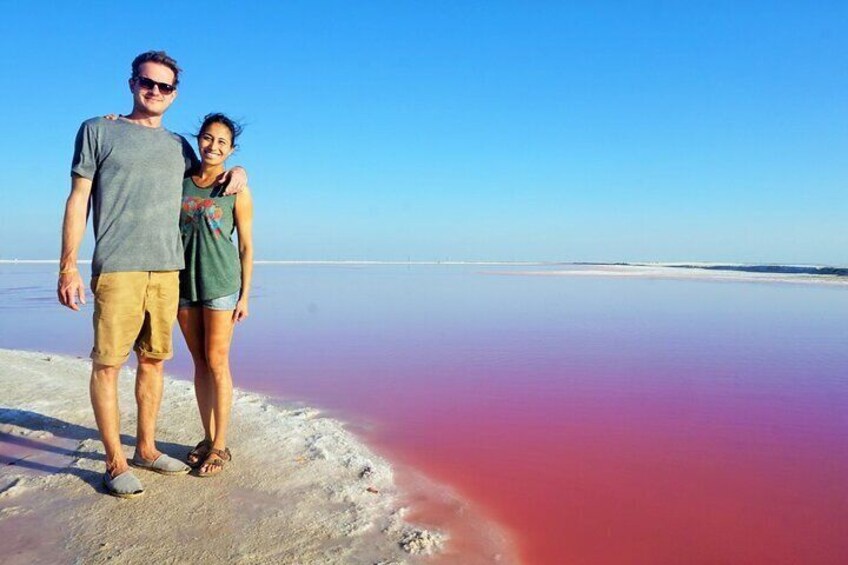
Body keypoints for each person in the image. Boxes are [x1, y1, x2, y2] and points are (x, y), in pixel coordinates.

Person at [57, 50, 247, 498]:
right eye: (148, 82)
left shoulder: (178, 146)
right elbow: (77, 199)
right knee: (107, 364)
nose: (155, 91)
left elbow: (208, 173)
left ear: (174, 94)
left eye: (165, 86)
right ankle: (114, 461)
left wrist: (240, 169)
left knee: (154, 361)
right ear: (132, 83)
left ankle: (145, 447)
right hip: (118, 267)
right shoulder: (98, 130)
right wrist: (68, 265)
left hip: (168, 271)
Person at [178, 113, 253, 477]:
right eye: (208, 138)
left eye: (222, 142)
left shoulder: (235, 187)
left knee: (217, 360)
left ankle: (221, 445)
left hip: (221, 284)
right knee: (199, 363)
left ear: (231, 149)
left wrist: (245, 296)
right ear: (199, 139)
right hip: (184, 284)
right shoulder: (182, 182)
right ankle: (207, 438)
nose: (213, 146)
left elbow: (247, 246)